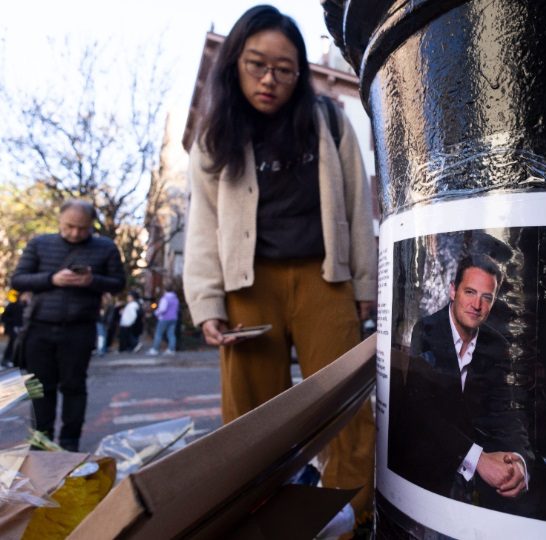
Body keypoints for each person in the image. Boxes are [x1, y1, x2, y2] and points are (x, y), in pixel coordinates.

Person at [183, 5, 377, 529]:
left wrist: (365, 284)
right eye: (256, 64)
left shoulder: (329, 120)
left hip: (324, 279)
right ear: (235, 64)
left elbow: (359, 205)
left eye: (285, 69)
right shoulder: (214, 137)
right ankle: (257, 520)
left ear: (300, 72)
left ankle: (351, 518)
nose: (270, 80)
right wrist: (207, 304)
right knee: (249, 419)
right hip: (248, 285)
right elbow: (203, 224)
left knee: (347, 410)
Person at [388, 254, 532, 513]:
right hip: (430, 464)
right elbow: (423, 413)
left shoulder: (496, 344)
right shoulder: (427, 330)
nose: (477, 304)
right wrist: (478, 460)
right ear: (453, 291)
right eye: (469, 292)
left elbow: (506, 411)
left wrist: (518, 463)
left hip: (479, 472)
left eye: (486, 297)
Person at [10, 199, 125, 451]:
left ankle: (70, 443)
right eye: (70, 226)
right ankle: (41, 441)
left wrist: (92, 281)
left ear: (92, 226)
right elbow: (18, 279)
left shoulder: (105, 247)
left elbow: (118, 283)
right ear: (60, 221)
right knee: (39, 389)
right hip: (39, 327)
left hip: (79, 328)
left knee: (75, 387)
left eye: (83, 228)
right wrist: (52, 279)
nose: (75, 233)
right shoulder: (39, 243)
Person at [148, 284, 179, 355]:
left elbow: (162, 309)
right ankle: (171, 349)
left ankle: (155, 349)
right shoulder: (175, 298)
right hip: (174, 318)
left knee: (158, 333)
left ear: (165, 290)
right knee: (171, 334)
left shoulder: (165, 298)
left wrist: (156, 313)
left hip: (164, 318)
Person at [1, 290, 24, 367]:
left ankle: (15, 361)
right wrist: (12, 325)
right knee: (12, 344)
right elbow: (4, 317)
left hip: (21, 329)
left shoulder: (25, 306)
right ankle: (7, 359)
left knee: (19, 345)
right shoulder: (12, 306)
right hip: (12, 328)